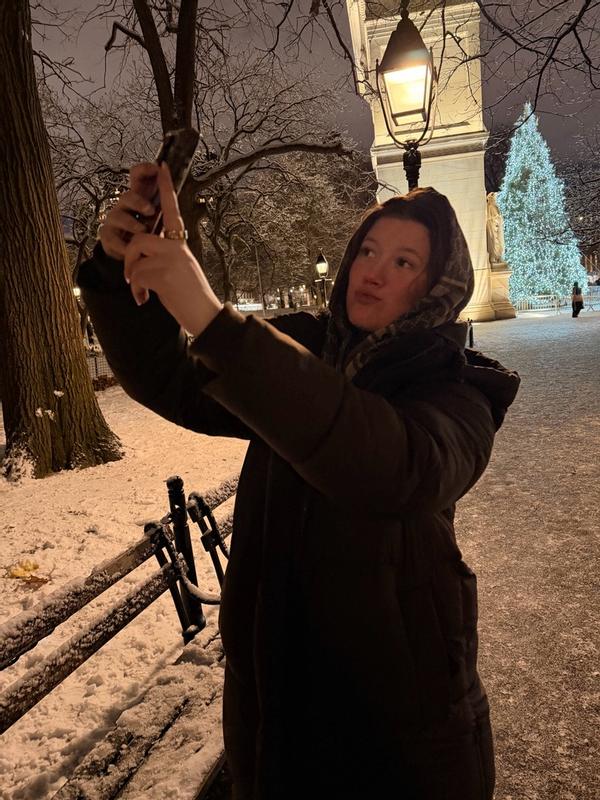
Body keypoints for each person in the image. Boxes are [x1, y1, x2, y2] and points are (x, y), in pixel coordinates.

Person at [78, 162, 520, 800]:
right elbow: (175, 381)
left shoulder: (459, 390)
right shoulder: (305, 345)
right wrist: (116, 274)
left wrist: (216, 322)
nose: (373, 271)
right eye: (368, 250)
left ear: (436, 288)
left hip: (395, 730)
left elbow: (391, 468)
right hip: (272, 707)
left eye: (403, 262)